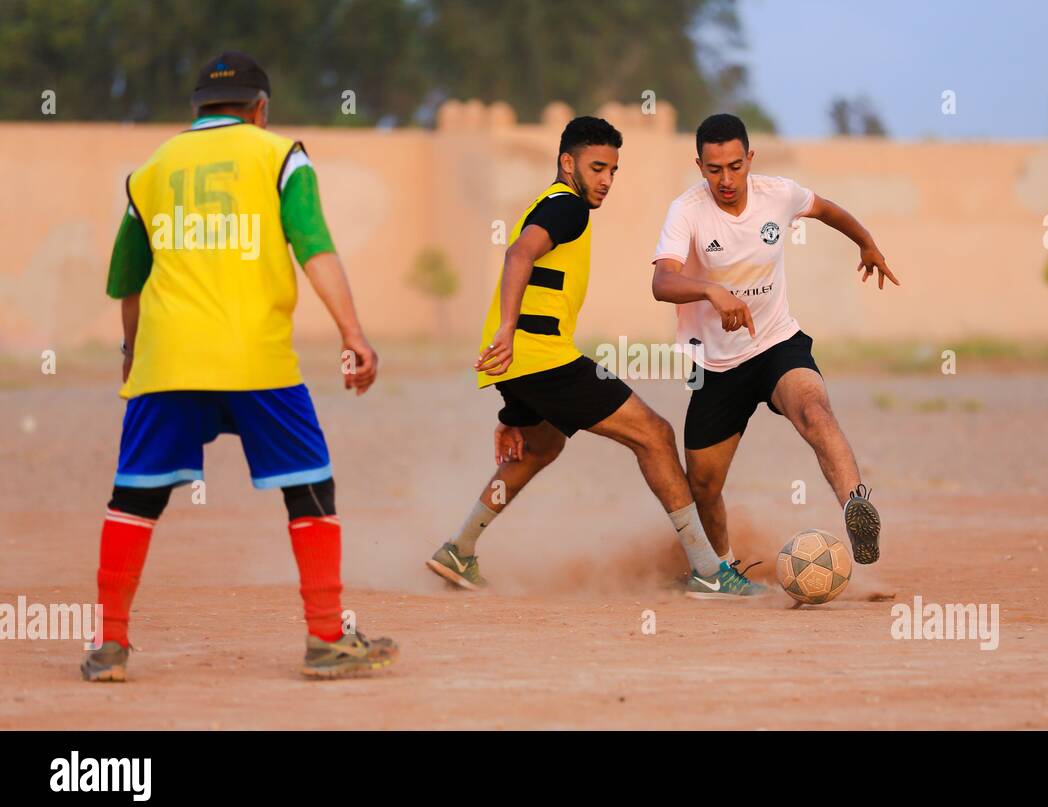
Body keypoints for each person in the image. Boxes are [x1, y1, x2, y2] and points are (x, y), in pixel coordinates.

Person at [82, 51, 397, 681]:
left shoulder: (149, 172)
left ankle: (110, 648)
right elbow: (316, 248)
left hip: (168, 360)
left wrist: (130, 355)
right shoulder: (280, 157)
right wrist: (353, 333)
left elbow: (129, 282)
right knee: (309, 486)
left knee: (133, 499)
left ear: (196, 110)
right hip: (257, 359)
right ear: (260, 109)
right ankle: (328, 639)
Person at [426, 116, 766, 600]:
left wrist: (513, 405)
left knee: (542, 447)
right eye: (597, 167)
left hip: (523, 362)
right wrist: (507, 331)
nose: (606, 180)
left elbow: (529, 270)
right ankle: (709, 570)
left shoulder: (548, 204)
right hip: (540, 356)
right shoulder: (568, 207)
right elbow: (518, 256)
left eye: (613, 170)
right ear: (568, 163)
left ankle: (459, 549)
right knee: (655, 434)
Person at [650, 113, 897, 571]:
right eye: (714, 169)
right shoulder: (686, 211)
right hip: (719, 366)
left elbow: (826, 210)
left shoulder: (777, 195)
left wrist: (866, 242)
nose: (726, 179)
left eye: (735, 166)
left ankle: (855, 506)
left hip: (777, 344)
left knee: (814, 409)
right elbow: (662, 282)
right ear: (699, 166)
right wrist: (709, 289)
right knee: (703, 485)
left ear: (750, 158)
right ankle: (722, 570)